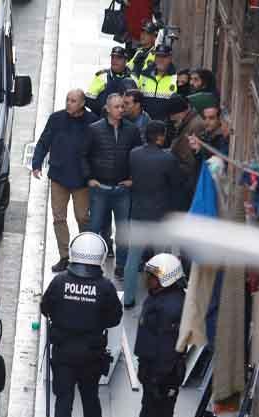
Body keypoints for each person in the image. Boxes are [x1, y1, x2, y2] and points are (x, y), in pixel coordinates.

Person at [39, 233, 123, 417]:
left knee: (64, 401)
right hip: (92, 355)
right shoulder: (105, 287)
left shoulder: (59, 281)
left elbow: (46, 308)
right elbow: (115, 318)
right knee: (90, 397)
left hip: (63, 353)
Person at [133, 253, 187, 417]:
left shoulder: (172, 307)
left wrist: (159, 379)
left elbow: (168, 348)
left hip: (163, 377)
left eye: (153, 277)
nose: (148, 281)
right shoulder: (160, 298)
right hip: (151, 373)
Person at [32, 89, 98, 271]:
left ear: (82, 103)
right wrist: (36, 163)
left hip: (81, 180)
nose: (69, 103)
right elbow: (44, 141)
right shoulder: (56, 119)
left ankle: (85, 255)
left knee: (83, 217)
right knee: (58, 217)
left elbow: (98, 150)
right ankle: (64, 256)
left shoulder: (93, 122)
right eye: (67, 100)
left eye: (73, 101)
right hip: (59, 176)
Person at [124, 122, 183, 308]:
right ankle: (159, 295)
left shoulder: (134, 154)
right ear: (160, 137)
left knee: (132, 259)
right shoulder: (168, 159)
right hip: (159, 216)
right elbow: (177, 184)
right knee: (160, 258)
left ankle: (128, 299)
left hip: (138, 214)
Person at [81, 93, 141, 270]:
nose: (121, 110)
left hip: (122, 189)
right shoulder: (94, 129)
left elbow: (137, 156)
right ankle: (89, 262)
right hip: (100, 187)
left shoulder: (131, 130)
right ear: (107, 108)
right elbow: (83, 155)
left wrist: (132, 180)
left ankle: (121, 266)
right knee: (95, 227)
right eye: (117, 107)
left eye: (123, 106)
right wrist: (89, 178)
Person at [165, 95, 207, 211]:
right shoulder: (188, 122)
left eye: (172, 116)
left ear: (180, 112)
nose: (171, 119)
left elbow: (189, 158)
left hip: (187, 180)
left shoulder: (195, 125)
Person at [86, 46, 138, 116]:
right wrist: (106, 111)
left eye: (118, 58)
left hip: (127, 120)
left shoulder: (133, 78)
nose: (114, 60)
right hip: (105, 118)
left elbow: (137, 102)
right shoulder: (102, 76)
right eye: (112, 57)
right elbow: (89, 99)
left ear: (126, 61)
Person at [137, 44, 179, 119]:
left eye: (164, 57)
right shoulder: (144, 75)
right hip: (144, 124)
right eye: (158, 56)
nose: (160, 60)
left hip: (164, 126)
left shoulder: (176, 77)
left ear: (170, 58)